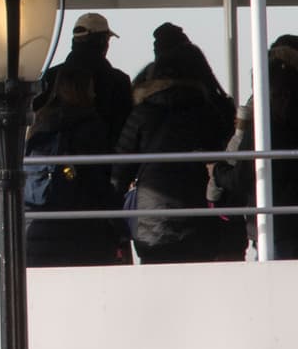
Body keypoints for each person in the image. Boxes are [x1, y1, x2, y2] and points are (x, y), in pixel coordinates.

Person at [113, 24, 236, 264]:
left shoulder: (143, 112)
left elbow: (119, 171)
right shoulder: (207, 110)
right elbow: (225, 156)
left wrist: (113, 218)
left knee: (155, 285)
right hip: (198, 215)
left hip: (152, 220)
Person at [208, 36, 298, 260]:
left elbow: (242, 177)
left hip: (273, 225)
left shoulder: (265, 119)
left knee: (275, 290)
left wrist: (217, 172)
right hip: (287, 221)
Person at [24, 67, 125, 266]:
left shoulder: (39, 122)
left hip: (37, 229)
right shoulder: (90, 125)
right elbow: (98, 182)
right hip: (82, 234)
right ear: (84, 90)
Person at [34, 13, 132, 150]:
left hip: (53, 165)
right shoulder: (119, 80)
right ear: (103, 42)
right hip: (103, 164)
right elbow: (124, 128)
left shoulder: (50, 76)